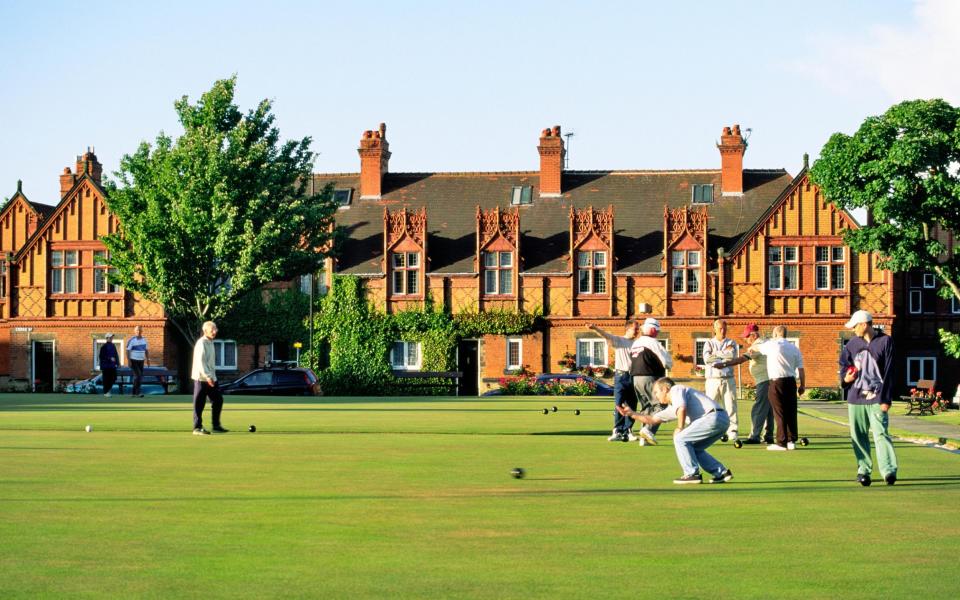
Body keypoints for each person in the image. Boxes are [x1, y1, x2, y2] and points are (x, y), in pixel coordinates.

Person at [618, 377, 733, 484]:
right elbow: (652, 419)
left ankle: (692, 474)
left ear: (665, 389)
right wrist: (632, 414)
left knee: (680, 438)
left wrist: (680, 428)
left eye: (656, 392)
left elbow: (682, 408)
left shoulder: (676, 389)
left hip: (712, 417)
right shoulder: (673, 407)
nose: (656, 396)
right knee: (694, 448)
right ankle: (721, 472)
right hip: (721, 420)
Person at [839, 310, 898, 486]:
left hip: (877, 398)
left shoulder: (886, 342)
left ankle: (889, 471)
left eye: (855, 326)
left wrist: (886, 399)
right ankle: (863, 470)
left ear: (864, 324)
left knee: (881, 434)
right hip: (855, 399)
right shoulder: (851, 345)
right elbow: (844, 365)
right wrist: (845, 378)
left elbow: (890, 372)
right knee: (858, 435)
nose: (853, 330)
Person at [744, 325, 805, 451]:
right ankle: (791, 440)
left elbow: (757, 347)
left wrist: (751, 349)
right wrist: (802, 385)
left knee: (779, 412)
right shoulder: (794, 348)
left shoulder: (772, 345)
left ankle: (781, 442)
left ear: (776, 334)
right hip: (791, 382)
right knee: (791, 411)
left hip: (777, 382)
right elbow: (801, 369)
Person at [716, 324, 774, 445]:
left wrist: (725, 364)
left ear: (753, 335)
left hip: (765, 380)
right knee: (768, 410)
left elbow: (742, 359)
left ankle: (754, 436)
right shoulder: (766, 342)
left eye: (747, 337)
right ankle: (768, 435)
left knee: (758, 409)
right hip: (770, 379)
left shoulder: (757, 346)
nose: (745, 339)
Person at [588, 321, 641, 442]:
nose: (637, 331)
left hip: (634, 377)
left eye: (638, 329)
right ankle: (617, 431)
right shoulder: (619, 341)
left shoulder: (638, 343)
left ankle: (628, 431)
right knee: (619, 404)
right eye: (635, 329)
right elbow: (605, 335)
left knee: (632, 405)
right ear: (627, 329)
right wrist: (595, 327)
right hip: (621, 376)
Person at [629, 317, 672, 446]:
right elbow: (667, 362)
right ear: (653, 330)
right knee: (662, 404)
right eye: (657, 330)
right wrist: (669, 365)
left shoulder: (636, 343)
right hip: (650, 377)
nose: (658, 333)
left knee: (646, 407)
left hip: (636, 379)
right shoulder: (653, 342)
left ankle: (644, 439)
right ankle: (648, 430)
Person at [701, 319, 739, 441]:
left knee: (730, 405)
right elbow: (707, 359)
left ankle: (732, 430)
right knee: (711, 406)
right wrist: (722, 353)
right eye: (720, 329)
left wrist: (715, 355)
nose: (723, 331)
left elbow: (731, 356)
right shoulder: (709, 343)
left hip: (728, 378)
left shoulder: (731, 342)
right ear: (715, 329)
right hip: (713, 379)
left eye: (724, 328)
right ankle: (710, 429)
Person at [191, 321, 228, 435]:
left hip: (211, 378)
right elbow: (200, 362)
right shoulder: (201, 343)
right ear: (205, 331)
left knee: (218, 400)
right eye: (212, 330)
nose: (215, 331)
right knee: (199, 403)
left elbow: (210, 363)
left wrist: (212, 377)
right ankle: (197, 428)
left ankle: (216, 425)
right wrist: (208, 377)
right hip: (201, 378)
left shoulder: (211, 342)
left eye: (215, 329)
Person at [126, 325, 149, 397]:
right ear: (134, 331)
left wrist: (148, 359)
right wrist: (129, 361)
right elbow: (127, 351)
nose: (138, 332)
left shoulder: (145, 340)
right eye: (137, 330)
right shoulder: (132, 340)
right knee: (138, 375)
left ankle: (134, 393)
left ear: (142, 331)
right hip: (133, 361)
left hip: (141, 361)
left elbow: (146, 350)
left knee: (139, 376)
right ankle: (138, 392)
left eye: (139, 330)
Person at [98, 333, 119, 398]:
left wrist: (118, 363)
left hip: (112, 366)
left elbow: (116, 355)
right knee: (106, 379)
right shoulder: (103, 346)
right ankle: (106, 392)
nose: (111, 338)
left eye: (112, 337)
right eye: (110, 337)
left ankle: (108, 391)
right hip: (106, 366)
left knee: (113, 378)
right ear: (107, 338)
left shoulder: (113, 346)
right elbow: (101, 356)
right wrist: (109, 358)